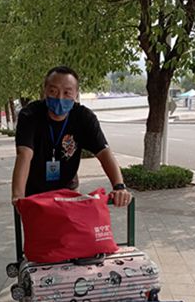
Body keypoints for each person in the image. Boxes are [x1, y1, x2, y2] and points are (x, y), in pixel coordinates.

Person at [11, 65, 132, 208]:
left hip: (68, 190)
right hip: (35, 192)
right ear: (45, 91)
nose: (60, 97)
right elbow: (24, 155)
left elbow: (104, 152)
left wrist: (119, 186)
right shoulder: (30, 115)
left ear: (76, 94)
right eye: (53, 91)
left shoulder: (84, 117)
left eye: (67, 92)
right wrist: (18, 196)